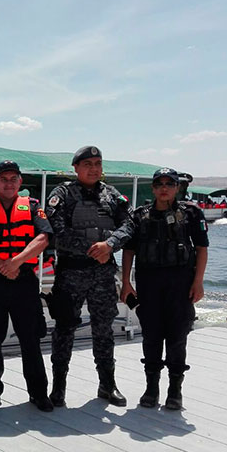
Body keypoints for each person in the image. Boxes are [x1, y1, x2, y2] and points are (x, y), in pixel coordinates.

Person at [45, 145, 134, 407]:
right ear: (76, 168)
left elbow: (130, 223)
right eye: (88, 164)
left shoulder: (112, 194)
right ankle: (58, 388)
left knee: (104, 330)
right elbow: (57, 230)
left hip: (103, 275)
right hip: (70, 274)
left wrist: (110, 245)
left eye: (98, 164)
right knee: (64, 330)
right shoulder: (62, 193)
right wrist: (95, 250)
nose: (94, 169)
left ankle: (107, 385)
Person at [0, 161, 54, 412]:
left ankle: (39, 393)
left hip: (24, 281)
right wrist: (1, 265)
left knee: (31, 338)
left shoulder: (33, 207)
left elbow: (43, 238)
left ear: (20, 182)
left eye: (13, 179)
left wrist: (15, 262)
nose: (8, 183)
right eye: (3, 179)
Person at [120, 168, 209, 410]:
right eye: (159, 184)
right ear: (153, 188)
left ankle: (175, 391)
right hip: (149, 284)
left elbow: (201, 248)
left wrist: (198, 281)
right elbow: (129, 250)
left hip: (180, 284)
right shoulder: (140, 216)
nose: (164, 188)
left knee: (177, 338)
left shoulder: (191, 214)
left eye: (170, 184)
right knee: (151, 337)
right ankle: (151, 389)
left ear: (177, 188)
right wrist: (126, 282)